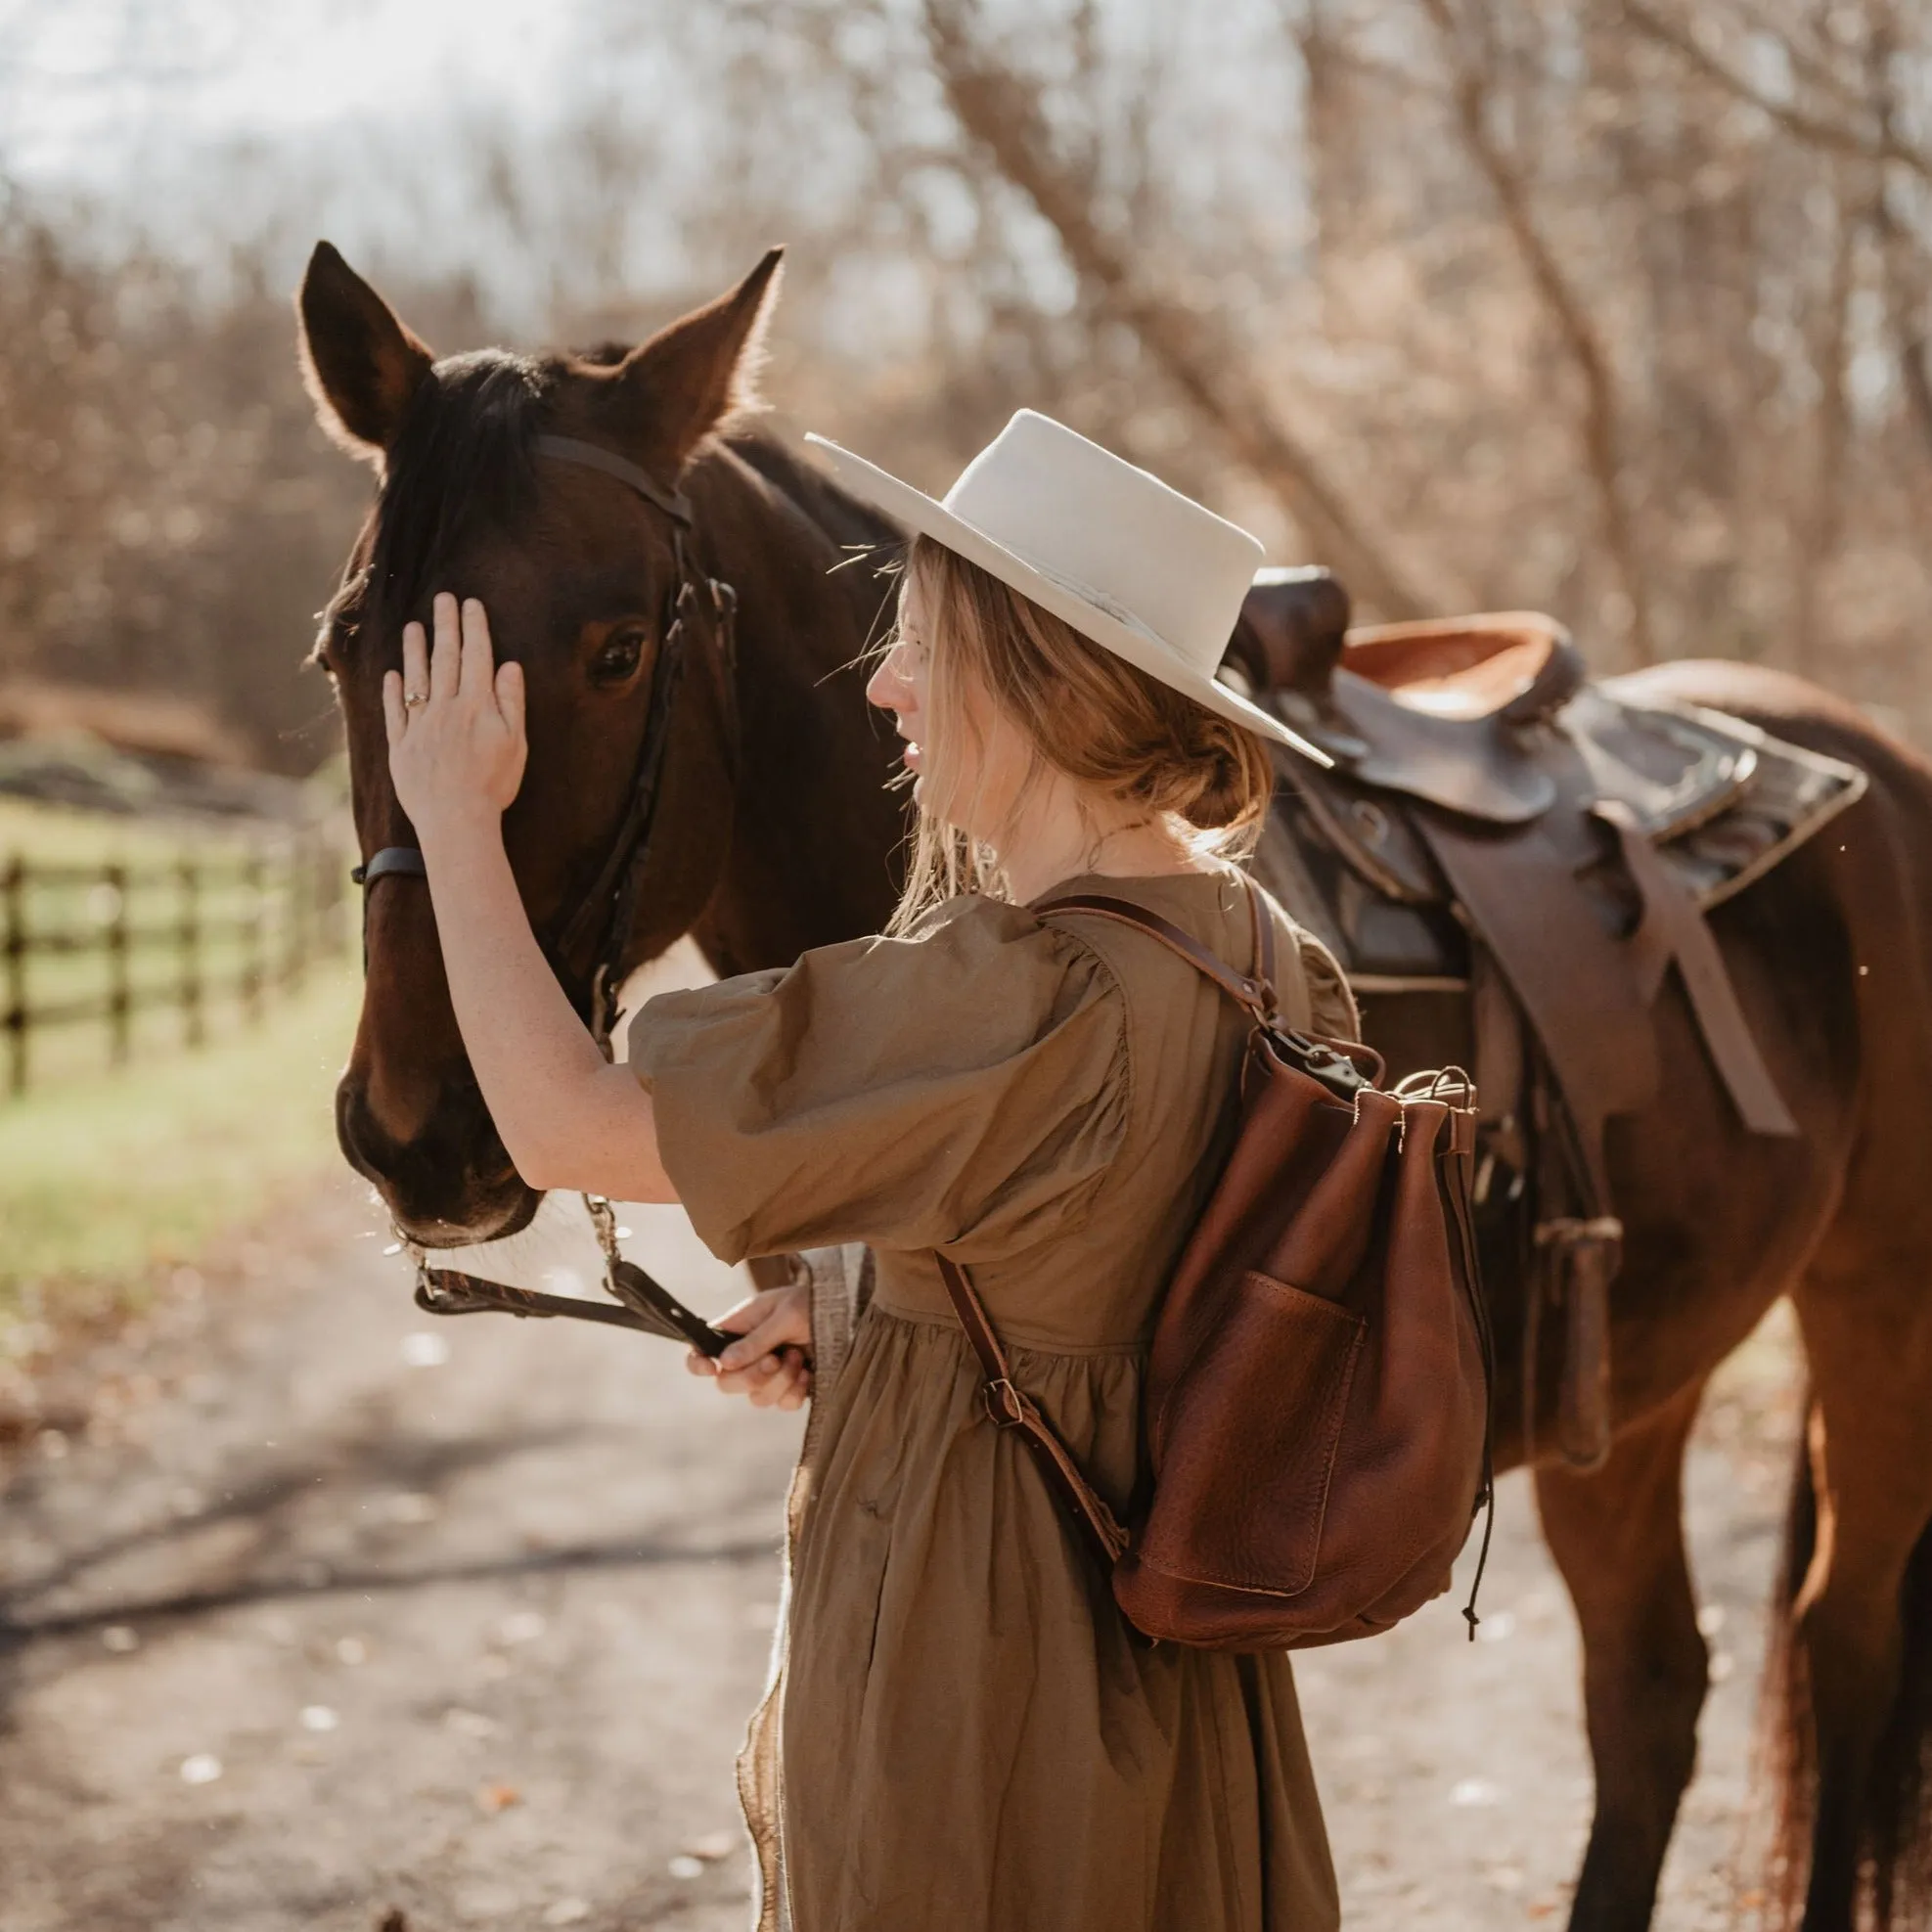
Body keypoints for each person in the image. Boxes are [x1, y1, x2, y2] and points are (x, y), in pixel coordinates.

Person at [383, 409, 1357, 1930]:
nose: (887, 686)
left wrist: (455, 820)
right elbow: (1109, 1255)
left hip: (978, 1666)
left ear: (1040, 679)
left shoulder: (1011, 989)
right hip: (1176, 1680)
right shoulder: (1271, 957)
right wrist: (870, 1310)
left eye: (923, 646)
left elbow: (564, 1124)